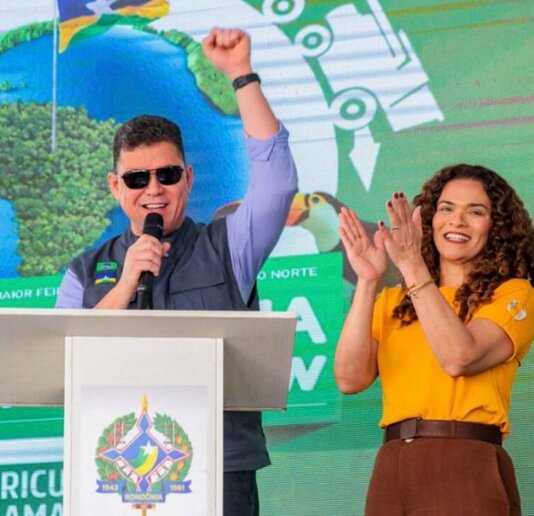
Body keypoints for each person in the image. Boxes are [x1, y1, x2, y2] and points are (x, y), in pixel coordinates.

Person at [56, 27, 298, 516]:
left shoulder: (229, 246)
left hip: (218, 466)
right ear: (115, 187)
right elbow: (66, 364)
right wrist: (126, 283)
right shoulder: (84, 273)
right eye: (137, 178)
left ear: (187, 178)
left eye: (167, 175)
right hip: (118, 473)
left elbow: (276, 184)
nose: (154, 190)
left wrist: (240, 74)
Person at [334, 164, 534, 515]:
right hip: (392, 461)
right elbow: (349, 380)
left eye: (475, 212)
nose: (457, 221)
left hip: (465, 459)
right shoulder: (392, 301)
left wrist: (412, 265)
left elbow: (459, 357)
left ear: (497, 226)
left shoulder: (513, 294)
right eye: (446, 208)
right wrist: (367, 281)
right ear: (430, 220)